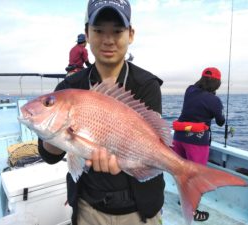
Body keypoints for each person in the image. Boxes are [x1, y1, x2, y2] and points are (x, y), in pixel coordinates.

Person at [38, 1, 165, 225]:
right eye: (98, 31)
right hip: (88, 207)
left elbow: (154, 139)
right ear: (87, 34)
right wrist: (56, 133)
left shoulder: (147, 84)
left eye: (117, 31)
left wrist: (124, 158)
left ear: (131, 34)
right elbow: (49, 155)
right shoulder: (69, 87)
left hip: (140, 210)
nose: (108, 40)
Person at [172, 67, 225, 222]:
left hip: (179, 138)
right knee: (196, 177)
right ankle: (192, 211)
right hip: (197, 142)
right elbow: (221, 122)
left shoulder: (190, 90)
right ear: (217, 83)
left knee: (182, 173)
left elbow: (198, 101)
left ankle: (183, 200)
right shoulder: (214, 100)